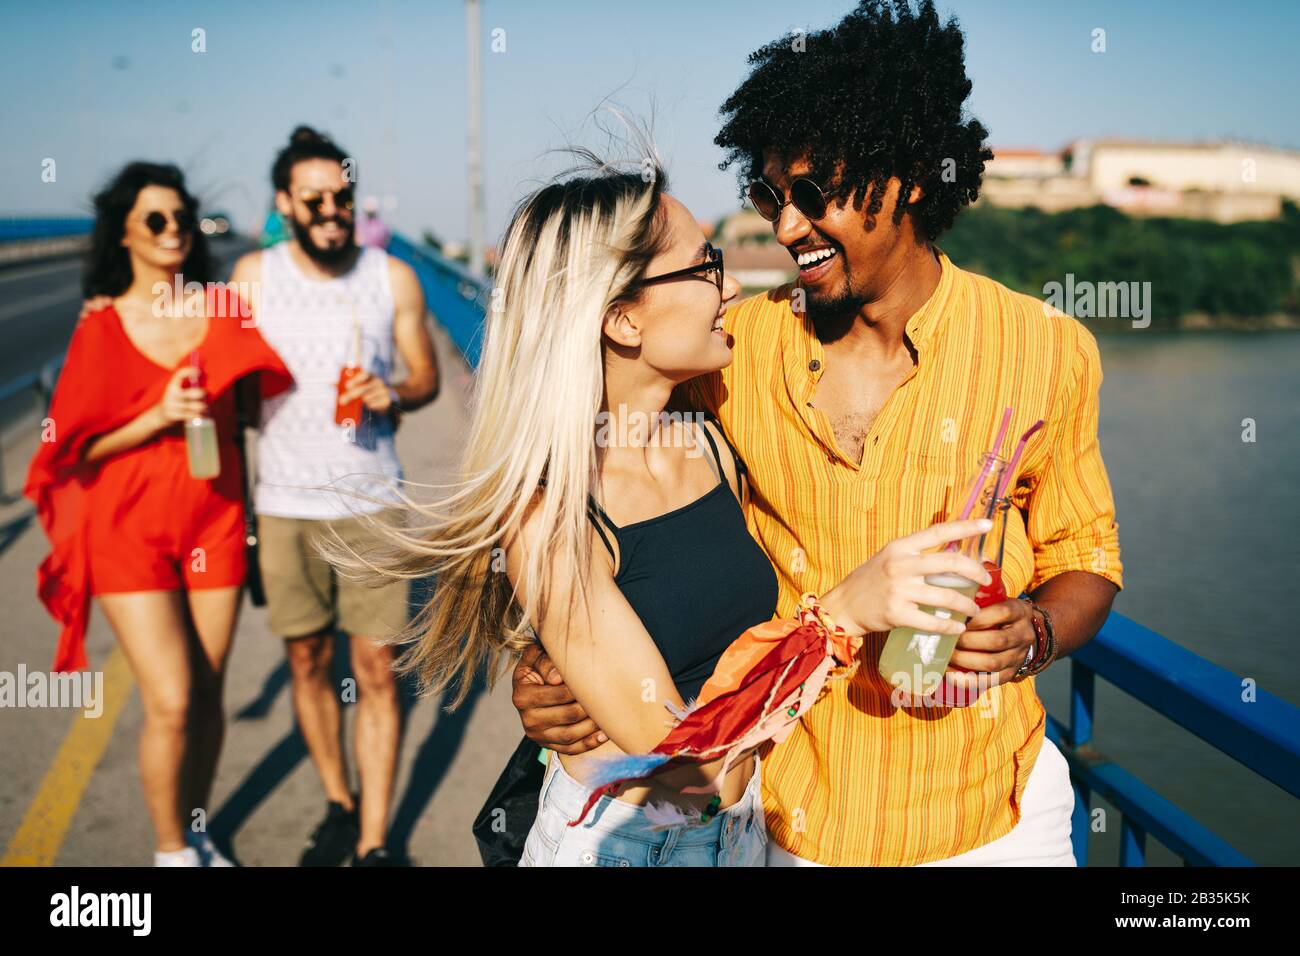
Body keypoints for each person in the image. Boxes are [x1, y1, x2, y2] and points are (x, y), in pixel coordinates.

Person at [513, 0, 1124, 867]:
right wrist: (556, 662)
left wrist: (1033, 632)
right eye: (769, 194)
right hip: (776, 818)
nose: (785, 224)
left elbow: (1087, 554)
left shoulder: (1048, 347)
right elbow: (602, 485)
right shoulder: (732, 353)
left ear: (910, 175)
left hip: (990, 821)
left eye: (813, 192)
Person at [324, 144, 994, 867]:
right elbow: (678, 758)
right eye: (706, 267)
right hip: (626, 843)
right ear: (624, 321)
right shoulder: (549, 514)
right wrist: (841, 615)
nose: (732, 286)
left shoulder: (708, 440)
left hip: (741, 831)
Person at [25, 162, 293, 866]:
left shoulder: (222, 307)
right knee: (170, 699)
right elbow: (71, 449)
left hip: (217, 515)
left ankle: (197, 825)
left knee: (207, 693)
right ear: (124, 233)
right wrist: (155, 417)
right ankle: (172, 850)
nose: (172, 230)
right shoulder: (103, 325)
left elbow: (278, 368)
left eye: (180, 216)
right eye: (155, 219)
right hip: (128, 527)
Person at [227, 126, 440, 867]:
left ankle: (378, 842)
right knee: (308, 661)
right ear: (285, 202)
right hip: (283, 504)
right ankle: (339, 804)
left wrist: (397, 390)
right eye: (313, 198)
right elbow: (214, 372)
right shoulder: (253, 277)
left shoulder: (391, 278)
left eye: (342, 196)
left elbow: (427, 376)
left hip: (373, 502)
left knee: (377, 670)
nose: (330, 209)